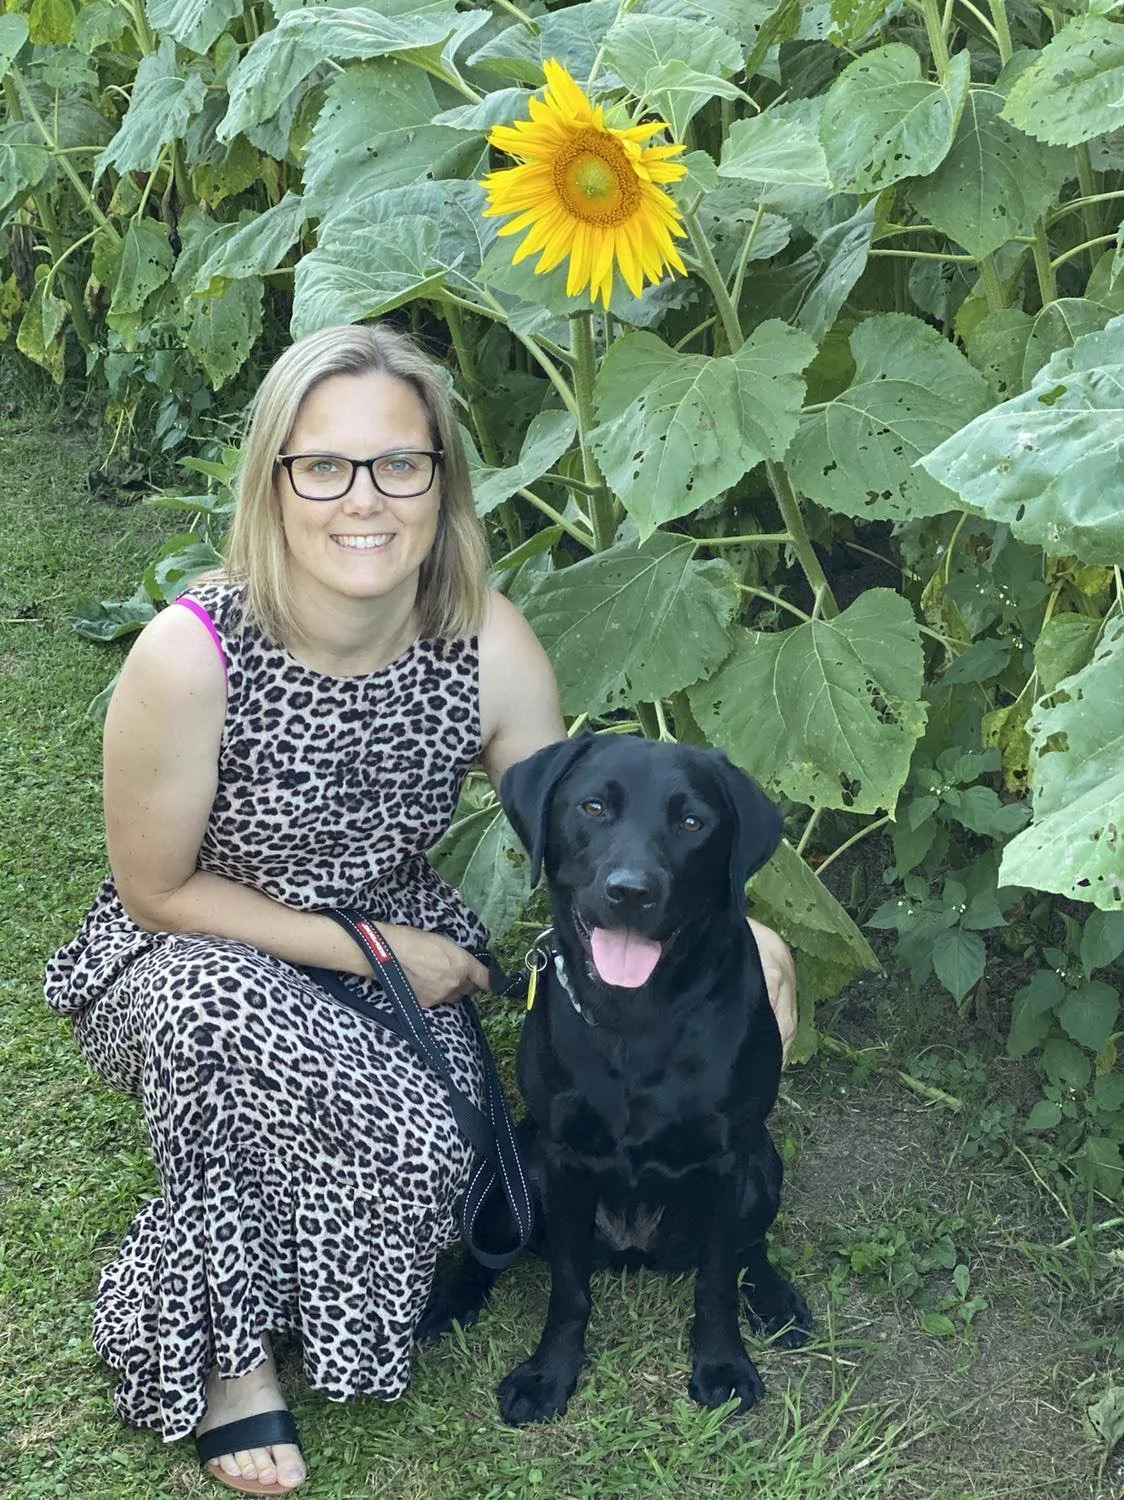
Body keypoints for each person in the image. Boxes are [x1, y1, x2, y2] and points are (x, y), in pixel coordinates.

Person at [44, 322, 797, 1495]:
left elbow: (582, 830)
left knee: (441, 1156)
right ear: (274, 480)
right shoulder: (189, 655)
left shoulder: (485, 641)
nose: (365, 498)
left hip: (387, 952)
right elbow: (157, 891)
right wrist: (375, 946)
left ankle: (284, 1261)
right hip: (191, 946)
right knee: (217, 1012)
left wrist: (727, 943)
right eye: (323, 465)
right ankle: (228, 1368)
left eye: (400, 463)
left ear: (441, 482)